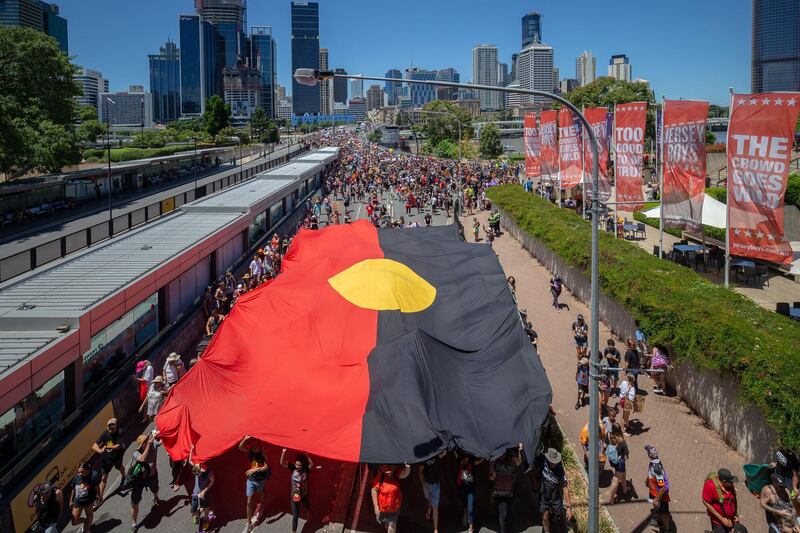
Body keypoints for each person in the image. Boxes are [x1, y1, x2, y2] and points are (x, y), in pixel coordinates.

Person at [533, 448, 573, 533]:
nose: (553, 464)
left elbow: (565, 487)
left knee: (556, 519)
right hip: (544, 496)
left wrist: (569, 507)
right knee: (545, 517)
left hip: (555, 498)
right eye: (551, 462)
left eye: (554, 462)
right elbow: (535, 472)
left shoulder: (560, 471)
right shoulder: (543, 462)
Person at [91, 417, 126, 508]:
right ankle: (100, 498)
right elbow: (94, 445)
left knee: (120, 467)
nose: (110, 428)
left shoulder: (120, 432)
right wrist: (99, 451)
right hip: (107, 459)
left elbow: (118, 446)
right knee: (104, 478)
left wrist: (107, 447)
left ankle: (124, 476)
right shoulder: (105, 434)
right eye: (109, 427)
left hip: (117, 456)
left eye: (112, 427)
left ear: (116, 426)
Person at [239, 435, 271, 531]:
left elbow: (267, 466)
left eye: (255, 444)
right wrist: (245, 438)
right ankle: (249, 523)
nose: (253, 446)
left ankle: (260, 505)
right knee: (249, 502)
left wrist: (255, 470)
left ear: (259, 444)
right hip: (251, 480)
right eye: (252, 443)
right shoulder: (250, 450)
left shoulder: (263, 452)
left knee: (261, 491)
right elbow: (240, 447)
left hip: (261, 479)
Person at [489, 444, 523, 533]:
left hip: (509, 492)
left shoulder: (511, 459)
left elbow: (519, 462)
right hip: (498, 492)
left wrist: (519, 450)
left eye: (503, 452)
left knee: (506, 512)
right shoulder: (495, 461)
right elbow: (491, 477)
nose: (502, 454)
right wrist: (493, 475)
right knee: (502, 513)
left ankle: (504, 526)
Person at [281, 448, 315, 533]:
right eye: (296, 465)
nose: (297, 466)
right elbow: (282, 463)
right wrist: (283, 453)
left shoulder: (306, 469)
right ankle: (294, 531)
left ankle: (308, 512)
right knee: (295, 516)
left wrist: (307, 456)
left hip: (304, 494)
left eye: (299, 465)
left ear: (302, 465)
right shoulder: (293, 468)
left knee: (305, 505)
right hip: (295, 495)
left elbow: (312, 465)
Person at [128, 433, 157, 531]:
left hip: (151, 476)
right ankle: (134, 523)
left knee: (155, 488)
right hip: (138, 481)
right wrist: (149, 445)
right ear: (142, 444)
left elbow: (162, 441)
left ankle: (155, 497)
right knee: (134, 503)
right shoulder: (136, 453)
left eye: (148, 439)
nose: (149, 440)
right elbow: (142, 459)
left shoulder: (153, 444)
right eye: (146, 441)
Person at [372, 464, 411, 533]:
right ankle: (387, 522)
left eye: (391, 466)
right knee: (384, 521)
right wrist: (376, 506)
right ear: (381, 467)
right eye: (385, 467)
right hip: (382, 509)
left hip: (395, 508)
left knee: (392, 525)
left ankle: (389, 524)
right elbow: (374, 490)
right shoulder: (380, 478)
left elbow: (405, 473)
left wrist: (408, 467)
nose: (389, 469)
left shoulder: (397, 474)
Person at [644, 445, 672, 532]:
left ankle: (666, 530)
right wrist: (647, 480)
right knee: (658, 509)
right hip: (654, 491)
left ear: (649, 455)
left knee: (664, 514)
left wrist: (656, 499)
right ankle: (658, 521)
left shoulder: (656, 468)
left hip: (660, 495)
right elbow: (651, 475)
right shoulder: (653, 462)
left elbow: (663, 487)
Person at [702, 468, 740, 532]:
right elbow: (705, 501)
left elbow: (734, 498)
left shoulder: (729, 484)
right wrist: (722, 519)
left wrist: (736, 514)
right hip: (718, 522)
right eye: (730, 481)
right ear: (724, 481)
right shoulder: (710, 486)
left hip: (731, 520)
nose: (732, 483)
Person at [419, 450, 446, 533]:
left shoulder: (437, 454)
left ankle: (435, 528)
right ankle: (429, 507)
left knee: (435, 507)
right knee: (428, 498)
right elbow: (420, 472)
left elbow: (444, 452)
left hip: (435, 485)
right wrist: (423, 484)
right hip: (427, 483)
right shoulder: (423, 456)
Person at [456, 453, 483, 533]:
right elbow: (455, 453)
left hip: (470, 489)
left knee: (470, 507)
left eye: (467, 458)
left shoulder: (472, 463)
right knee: (465, 506)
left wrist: (484, 457)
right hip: (462, 488)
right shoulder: (460, 462)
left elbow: (479, 461)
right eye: (465, 458)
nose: (466, 459)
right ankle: (465, 514)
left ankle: (471, 528)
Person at [70, 462, 100, 531]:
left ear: (88, 471)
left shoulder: (94, 476)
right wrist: (71, 500)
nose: (80, 474)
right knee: (74, 521)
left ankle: (87, 529)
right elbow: (73, 489)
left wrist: (99, 496)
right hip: (78, 501)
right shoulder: (77, 477)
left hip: (89, 501)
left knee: (89, 514)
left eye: (82, 472)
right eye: (78, 472)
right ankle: (86, 521)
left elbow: (96, 487)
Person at [189, 448, 215, 531]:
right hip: (195, 493)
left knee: (206, 506)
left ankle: (206, 519)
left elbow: (212, 481)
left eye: (198, 474)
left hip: (204, 493)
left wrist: (203, 492)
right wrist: (191, 449)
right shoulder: (196, 466)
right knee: (193, 511)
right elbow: (190, 460)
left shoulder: (208, 472)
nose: (197, 476)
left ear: (201, 469)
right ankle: (197, 514)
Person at [604, 432, 630, 504]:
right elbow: (626, 454)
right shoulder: (621, 441)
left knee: (624, 474)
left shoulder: (609, 436)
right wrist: (625, 457)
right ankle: (611, 499)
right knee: (616, 481)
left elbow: (604, 446)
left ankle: (625, 490)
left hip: (614, 462)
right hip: (620, 463)